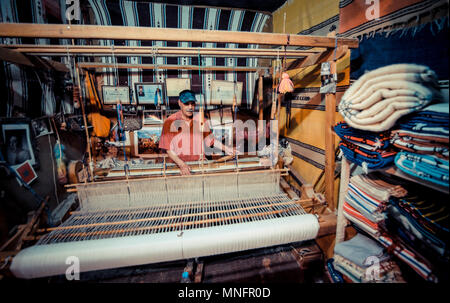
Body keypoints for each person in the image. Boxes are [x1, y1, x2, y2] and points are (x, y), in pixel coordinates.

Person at [159, 90, 234, 175]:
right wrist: (182, 164)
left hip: (198, 166)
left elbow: (211, 141)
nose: (190, 107)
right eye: (186, 104)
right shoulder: (170, 122)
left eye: (192, 104)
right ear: (179, 103)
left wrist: (227, 149)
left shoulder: (200, 120)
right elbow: (169, 149)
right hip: (177, 168)